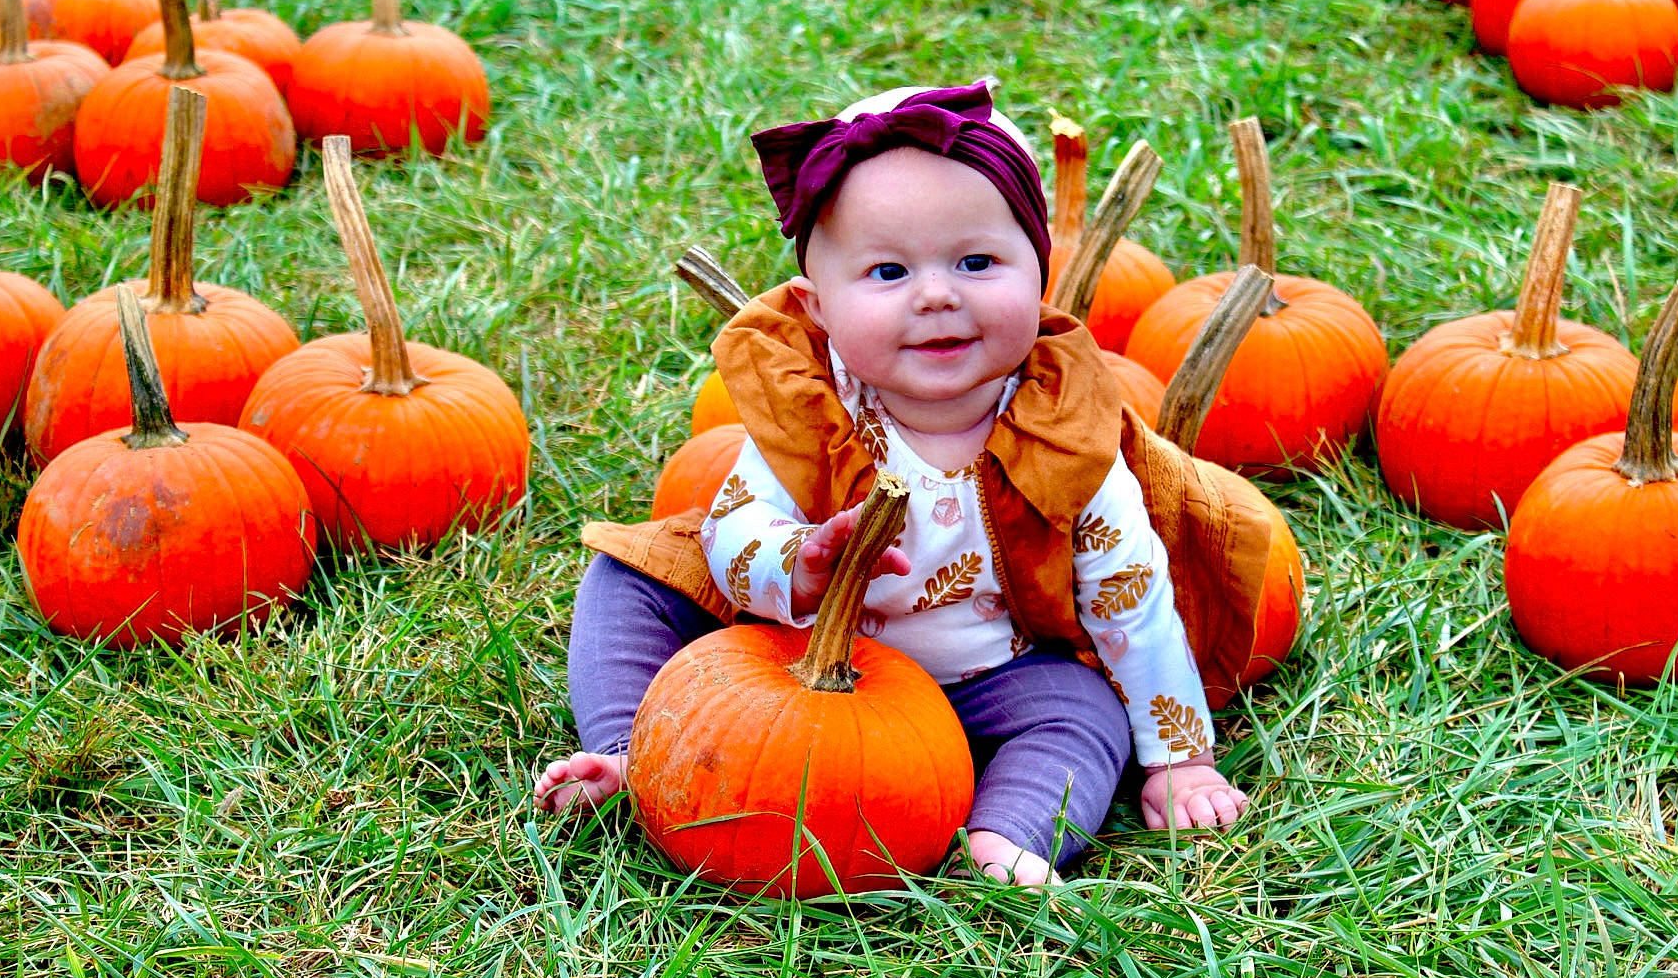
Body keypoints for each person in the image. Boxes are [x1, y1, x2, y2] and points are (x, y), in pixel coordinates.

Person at [537, 81, 1261, 887]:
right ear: (817, 308)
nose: (938, 294)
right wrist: (799, 561)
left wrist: (1180, 759)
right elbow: (734, 527)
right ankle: (631, 752)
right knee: (630, 578)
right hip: (792, 653)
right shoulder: (813, 408)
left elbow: (1130, 590)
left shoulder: (1065, 428)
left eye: (977, 262)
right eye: (888, 271)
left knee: (1083, 713)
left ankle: (1008, 837)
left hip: (991, 675)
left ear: (1041, 272)